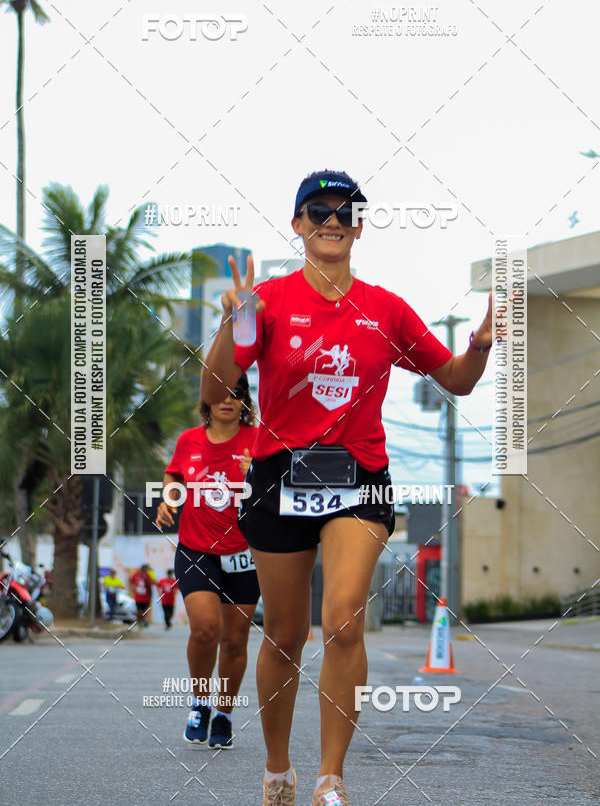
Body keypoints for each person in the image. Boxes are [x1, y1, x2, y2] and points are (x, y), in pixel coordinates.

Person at [201, 170, 495, 806]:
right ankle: (278, 769)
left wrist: (480, 344)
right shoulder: (270, 302)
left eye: (345, 212)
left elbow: (458, 380)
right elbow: (215, 392)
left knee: (342, 622)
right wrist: (236, 321)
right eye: (319, 211)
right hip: (280, 475)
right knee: (283, 633)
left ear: (360, 225)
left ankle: (331, 777)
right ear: (298, 222)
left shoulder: (386, 308)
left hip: (359, 478)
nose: (332, 220)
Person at [156, 374, 259, 749]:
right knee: (204, 628)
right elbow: (174, 474)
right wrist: (169, 499)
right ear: (207, 399)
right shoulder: (189, 441)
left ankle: (225, 715)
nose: (228, 400)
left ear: (245, 401)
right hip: (197, 550)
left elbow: (280, 488)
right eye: (220, 393)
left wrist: (258, 473)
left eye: (237, 393)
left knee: (234, 641)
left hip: (245, 553)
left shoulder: (257, 441)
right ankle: (200, 704)